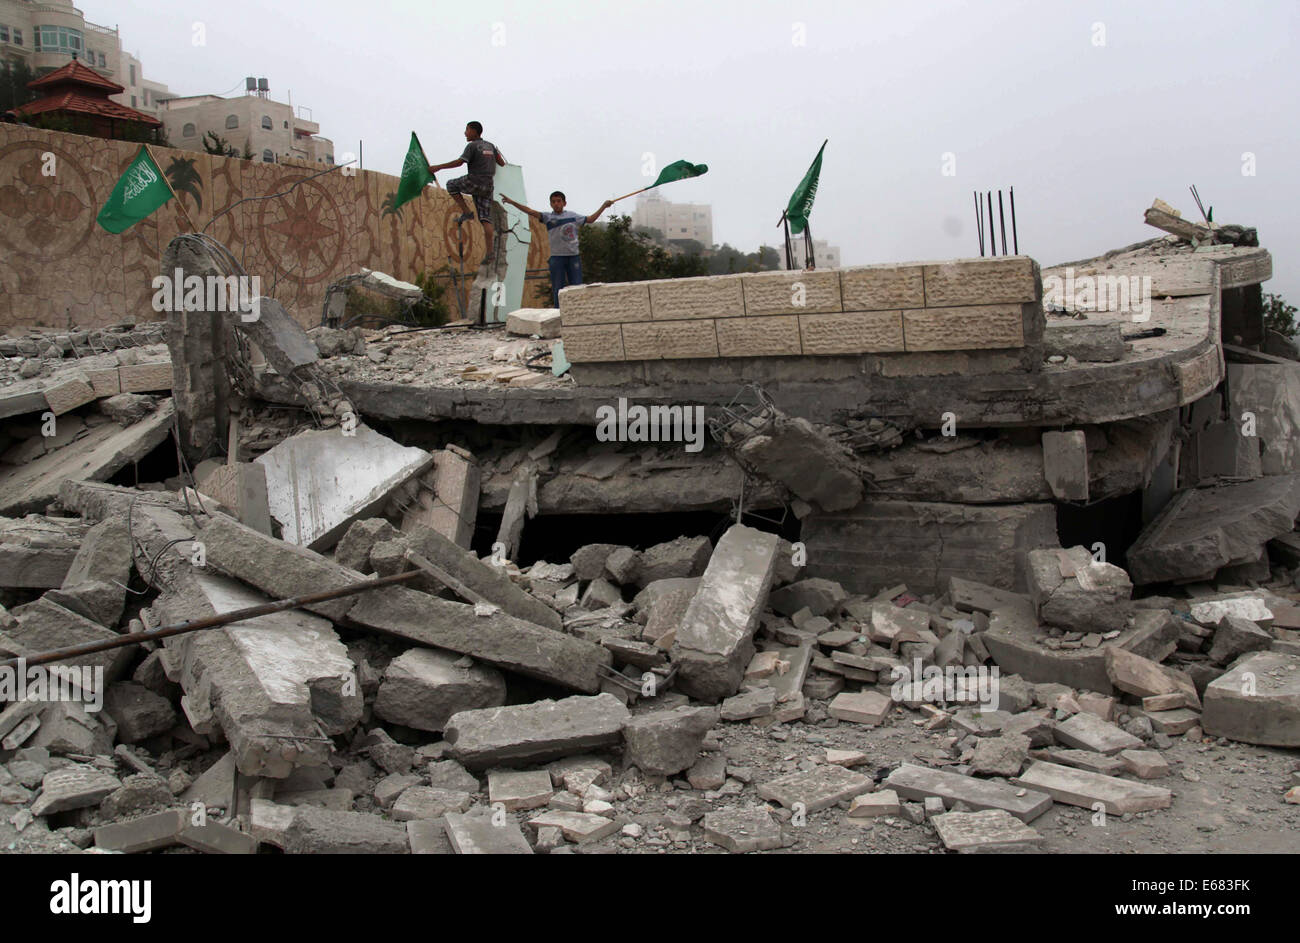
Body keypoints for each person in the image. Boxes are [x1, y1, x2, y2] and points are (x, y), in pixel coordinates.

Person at [502, 191, 612, 306]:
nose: (556, 204)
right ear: (550, 204)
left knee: (577, 287)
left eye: (559, 201)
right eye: (553, 202)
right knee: (558, 289)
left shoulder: (573, 216)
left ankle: (578, 312)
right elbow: (530, 211)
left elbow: (590, 219)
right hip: (557, 257)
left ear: (564, 203)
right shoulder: (547, 217)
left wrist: (603, 206)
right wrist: (512, 202)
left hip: (573, 257)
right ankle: (558, 314)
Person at [429, 121, 506, 261]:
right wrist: (494, 153)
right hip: (488, 186)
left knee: (451, 185)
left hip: (474, 180)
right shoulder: (490, 146)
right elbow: (502, 163)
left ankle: (466, 212)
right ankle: (490, 254)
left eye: (467, 129)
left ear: (475, 131)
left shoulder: (472, 146)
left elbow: (459, 162)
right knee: (485, 219)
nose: (465, 133)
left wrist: (438, 167)